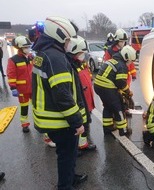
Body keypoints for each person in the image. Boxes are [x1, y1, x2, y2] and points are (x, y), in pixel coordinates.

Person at [31, 16, 88, 189]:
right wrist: (77, 122)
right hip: (59, 120)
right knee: (67, 155)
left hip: (49, 117)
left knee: (67, 154)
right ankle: (66, 185)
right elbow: (63, 95)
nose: (69, 43)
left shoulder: (44, 54)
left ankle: (71, 178)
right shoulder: (55, 57)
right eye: (68, 39)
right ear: (60, 35)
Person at [94, 45, 136, 136]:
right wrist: (128, 92)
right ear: (126, 58)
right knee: (119, 108)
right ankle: (123, 130)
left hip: (98, 86)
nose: (130, 63)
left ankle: (107, 127)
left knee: (108, 106)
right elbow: (120, 83)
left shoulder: (113, 60)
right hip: (107, 87)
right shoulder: (122, 66)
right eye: (130, 61)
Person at [65, 35, 97, 154]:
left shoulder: (81, 63)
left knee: (86, 123)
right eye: (81, 52)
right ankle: (75, 148)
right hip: (77, 102)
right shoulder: (69, 66)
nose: (83, 55)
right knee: (76, 125)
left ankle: (83, 144)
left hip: (86, 100)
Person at [7, 36, 33, 133]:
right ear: (20, 48)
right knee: (24, 107)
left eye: (28, 46)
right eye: (26, 47)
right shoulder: (13, 60)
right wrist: (13, 87)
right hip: (22, 89)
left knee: (37, 107)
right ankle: (24, 124)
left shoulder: (31, 57)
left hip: (33, 87)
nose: (28, 48)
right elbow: (11, 74)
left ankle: (39, 123)